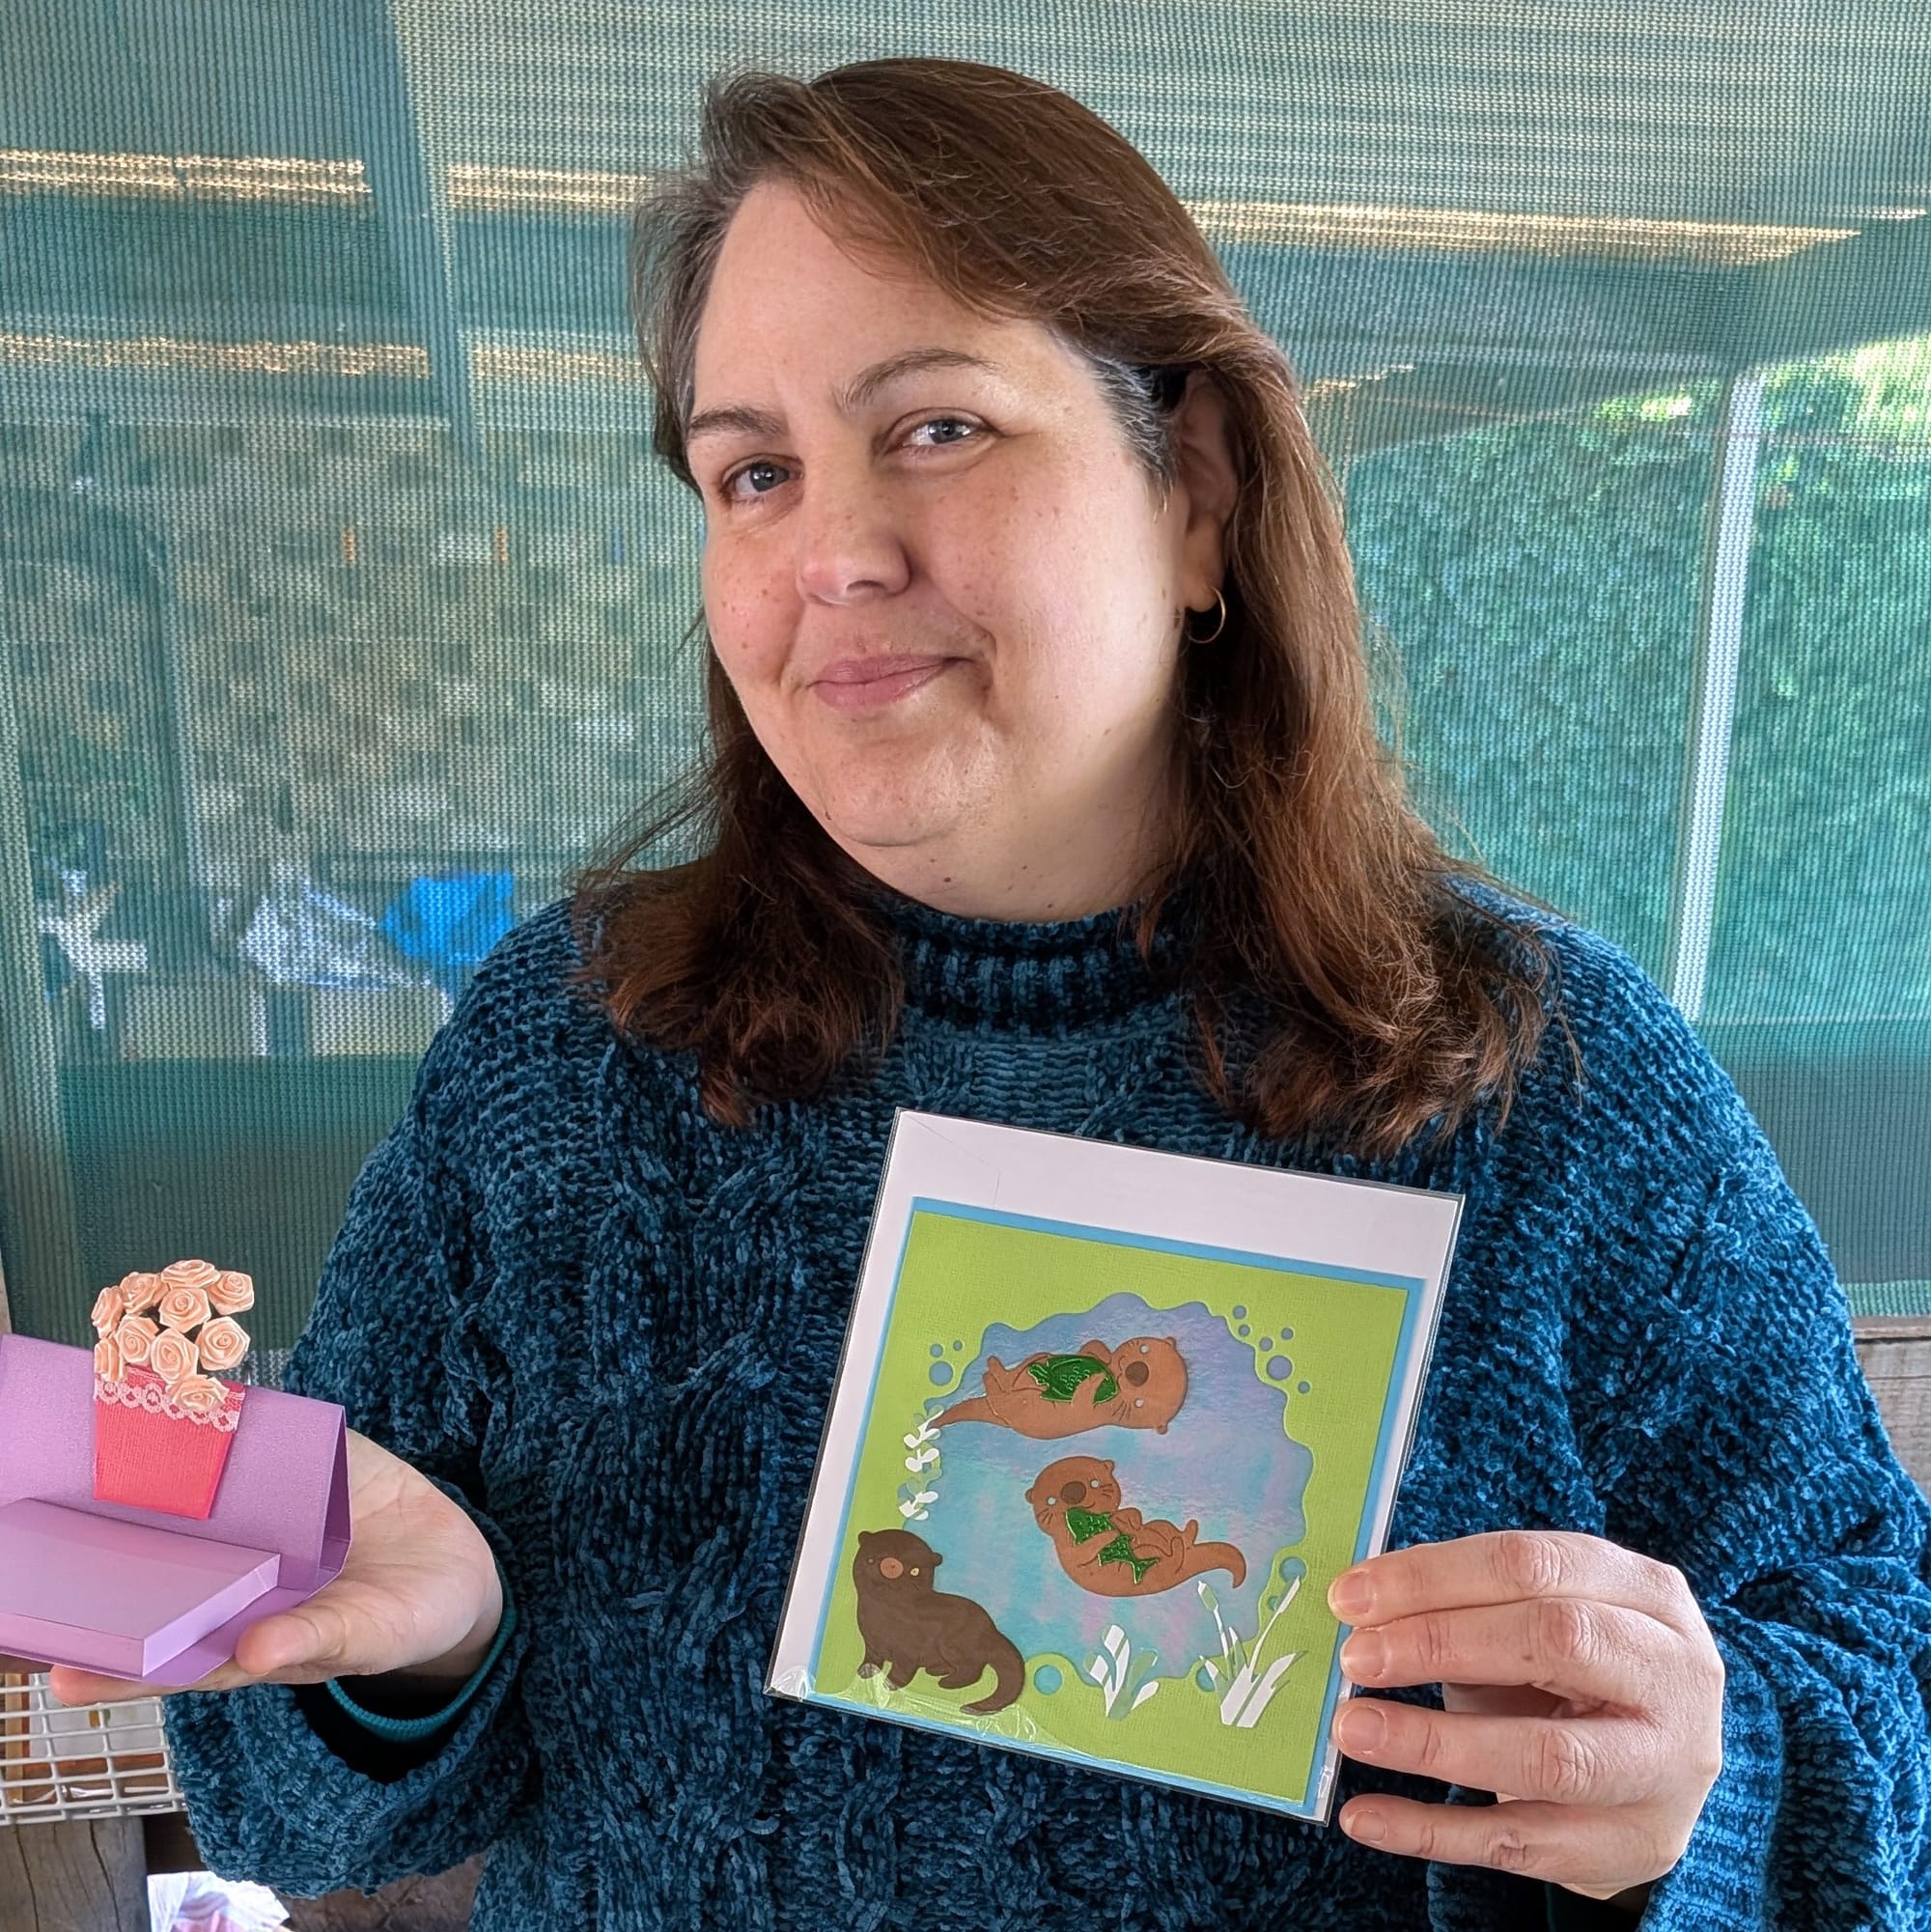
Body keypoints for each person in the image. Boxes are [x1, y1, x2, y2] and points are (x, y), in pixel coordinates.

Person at [25, 56, 1929, 1931]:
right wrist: (423, 1646)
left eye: (936, 427)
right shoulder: (565, 1054)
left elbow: (1886, 1686)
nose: (832, 555)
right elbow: (282, 1801)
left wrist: (1709, 1773)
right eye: (753, 471)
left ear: (1196, 487)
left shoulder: (1545, 1086)